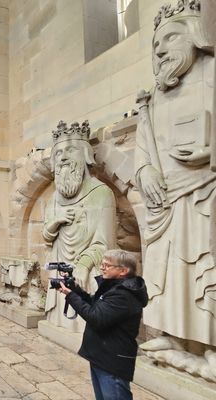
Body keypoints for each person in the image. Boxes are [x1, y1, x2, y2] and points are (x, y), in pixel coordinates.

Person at [134, 0, 216, 369]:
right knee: (168, 266)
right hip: (164, 201)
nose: (161, 49)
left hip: (204, 190)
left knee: (203, 265)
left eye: (170, 38)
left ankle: (209, 347)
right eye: (155, 45)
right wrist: (146, 172)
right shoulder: (154, 99)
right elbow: (142, 151)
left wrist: (209, 152)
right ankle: (171, 334)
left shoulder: (213, 72)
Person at [43, 120, 116, 333]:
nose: (63, 157)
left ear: (85, 155)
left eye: (70, 150)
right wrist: (57, 221)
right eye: (58, 154)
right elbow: (46, 236)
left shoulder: (101, 193)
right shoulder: (54, 199)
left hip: (86, 267)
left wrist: (83, 265)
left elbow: (106, 244)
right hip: (59, 262)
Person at [58, 249, 148, 400]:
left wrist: (70, 296)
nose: (102, 268)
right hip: (101, 356)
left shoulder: (123, 294)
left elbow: (96, 318)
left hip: (112, 361)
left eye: (107, 265)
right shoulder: (113, 287)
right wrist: (74, 288)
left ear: (123, 271)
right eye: (102, 264)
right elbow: (94, 305)